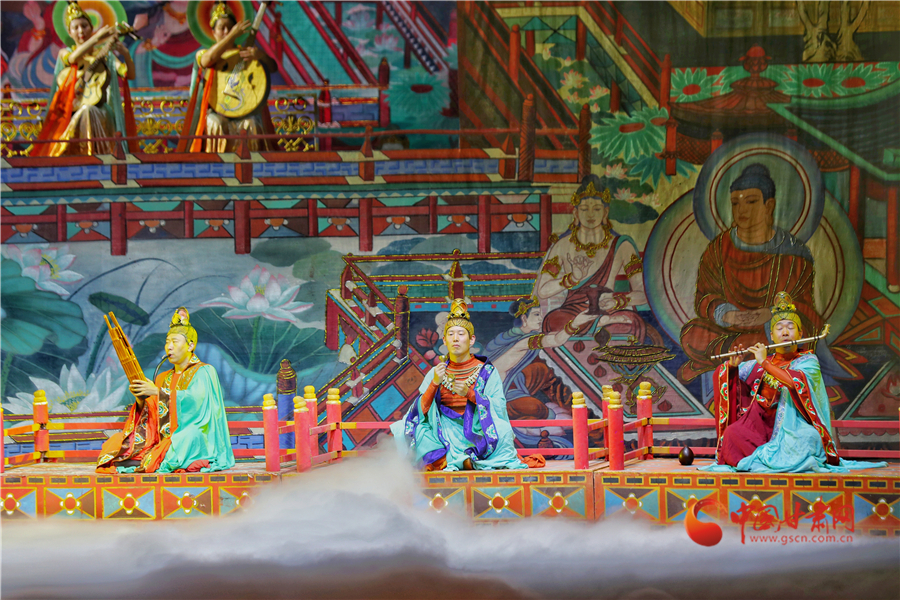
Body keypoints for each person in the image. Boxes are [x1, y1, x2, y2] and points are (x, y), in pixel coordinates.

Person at [703, 292, 885, 473]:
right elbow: (727, 378)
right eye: (779, 328)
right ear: (771, 336)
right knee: (732, 434)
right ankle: (763, 460)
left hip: (792, 427)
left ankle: (764, 461)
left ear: (800, 333)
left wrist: (765, 363)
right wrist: (732, 367)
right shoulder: (759, 362)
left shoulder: (808, 361)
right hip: (759, 425)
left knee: (811, 438)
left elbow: (795, 382)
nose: (785, 332)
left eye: (790, 327)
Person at [679, 163, 822, 382]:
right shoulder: (718, 249)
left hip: (771, 330)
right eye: (735, 203)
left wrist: (772, 314)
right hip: (730, 329)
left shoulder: (795, 255)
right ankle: (754, 355)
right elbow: (704, 297)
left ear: (769, 205)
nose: (741, 210)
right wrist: (725, 314)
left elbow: (805, 310)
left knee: (797, 334)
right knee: (692, 334)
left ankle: (739, 356)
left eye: (751, 201)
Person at [390, 299, 527, 471]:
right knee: (411, 430)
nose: (455, 339)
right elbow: (420, 411)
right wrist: (434, 383)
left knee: (503, 430)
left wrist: (471, 394)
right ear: (444, 340)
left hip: (477, 428)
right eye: (451, 334)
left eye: (461, 334)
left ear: (471, 339)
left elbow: (499, 405)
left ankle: (455, 460)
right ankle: (465, 461)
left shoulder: (486, 371)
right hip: (444, 430)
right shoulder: (436, 372)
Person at [97, 307, 235, 473]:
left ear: (190, 345)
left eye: (175, 342)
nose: (169, 347)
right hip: (162, 437)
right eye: (167, 342)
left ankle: (152, 459)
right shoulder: (163, 377)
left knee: (187, 438)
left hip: (192, 432)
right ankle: (150, 458)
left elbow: (196, 402)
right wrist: (141, 398)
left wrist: (158, 392)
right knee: (117, 441)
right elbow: (153, 414)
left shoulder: (204, 371)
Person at [534, 175, 648, 343]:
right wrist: (572, 279)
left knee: (632, 322)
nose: (590, 214)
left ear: (605, 212)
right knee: (553, 322)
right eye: (584, 209)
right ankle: (598, 323)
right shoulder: (562, 245)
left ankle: (599, 321)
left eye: (596, 209)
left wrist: (617, 301)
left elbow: (643, 293)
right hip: (571, 313)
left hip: (607, 308)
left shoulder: (621, 245)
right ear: (575, 213)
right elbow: (542, 291)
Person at [31, 0, 136, 157]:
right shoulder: (65, 53)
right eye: (76, 27)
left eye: (84, 26)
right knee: (82, 111)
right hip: (72, 109)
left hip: (99, 110)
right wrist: (97, 38)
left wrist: (126, 54)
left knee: (88, 110)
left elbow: (129, 74)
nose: (81, 31)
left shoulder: (106, 55)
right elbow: (73, 59)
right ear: (69, 32)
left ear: (91, 28)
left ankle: (92, 156)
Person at [179, 1, 275, 153]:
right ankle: (216, 165)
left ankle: (253, 165)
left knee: (252, 124)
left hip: (242, 110)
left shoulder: (244, 53)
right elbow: (208, 61)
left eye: (230, 27)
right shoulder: (204, 54)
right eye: (221, 28)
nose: (226, 31)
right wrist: (231, 35)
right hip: (217, 112)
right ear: (213, 32)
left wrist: (261, 56)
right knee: (215, 123)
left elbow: (273, 68)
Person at [485, 296, 595, 421]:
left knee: (543, 369)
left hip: (514, 381)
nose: (540, 318)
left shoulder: (508, 336)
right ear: (524, 318)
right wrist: (575, 324)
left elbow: (551, 336)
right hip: (501, 395)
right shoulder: (523, 341)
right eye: (536, 314)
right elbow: (555, 340)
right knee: (539, 410)